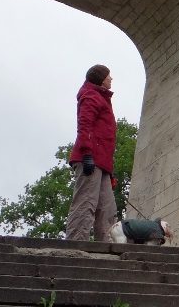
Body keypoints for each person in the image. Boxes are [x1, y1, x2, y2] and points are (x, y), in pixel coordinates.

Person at [65, 64, 118, 241]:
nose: (111, 78)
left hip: (102, 162)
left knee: (107, 208)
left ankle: (107, 246)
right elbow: (84, 125)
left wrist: (109, 171)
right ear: (101, 79)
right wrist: (87, 153)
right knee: (85, 202)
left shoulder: (101, 97)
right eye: (108, 76)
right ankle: (75, 243)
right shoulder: (90, 96)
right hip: (90, 158)